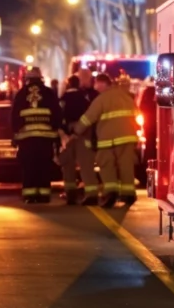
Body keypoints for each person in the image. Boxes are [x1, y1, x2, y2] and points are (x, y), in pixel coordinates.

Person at [71, 73, 138, 208]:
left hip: (109, 139)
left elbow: (89, 117)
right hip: (129, 137)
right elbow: (136, 113)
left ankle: (110, 193)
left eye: (96, 84)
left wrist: (76, 130)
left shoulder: (102, 99)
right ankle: (129, 194)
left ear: (102, 84)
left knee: (106, 165)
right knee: (126, 165)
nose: (95, 87)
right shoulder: (125, 96)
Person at [11, 67, 62, 203]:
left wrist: (15, 136)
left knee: (29, 167)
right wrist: (56, 134)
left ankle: (30, 195)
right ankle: (44, 195)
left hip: (26, 140)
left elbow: (14, 117)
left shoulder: (21, 94)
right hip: (45, 139)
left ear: (27, 79)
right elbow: (57, 114)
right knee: (44, 167)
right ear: (40, 79)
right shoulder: (49, 93)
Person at [59, 75, 96, 205]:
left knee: (68, 166)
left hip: (67, 137)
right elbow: (90, 116)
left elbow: (59, 118)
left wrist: (64, 135)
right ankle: (92, 194)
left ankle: (70, 195)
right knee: (86, 165)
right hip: (84, 135)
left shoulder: (62, 99)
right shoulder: (84, 98)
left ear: (68, 84)